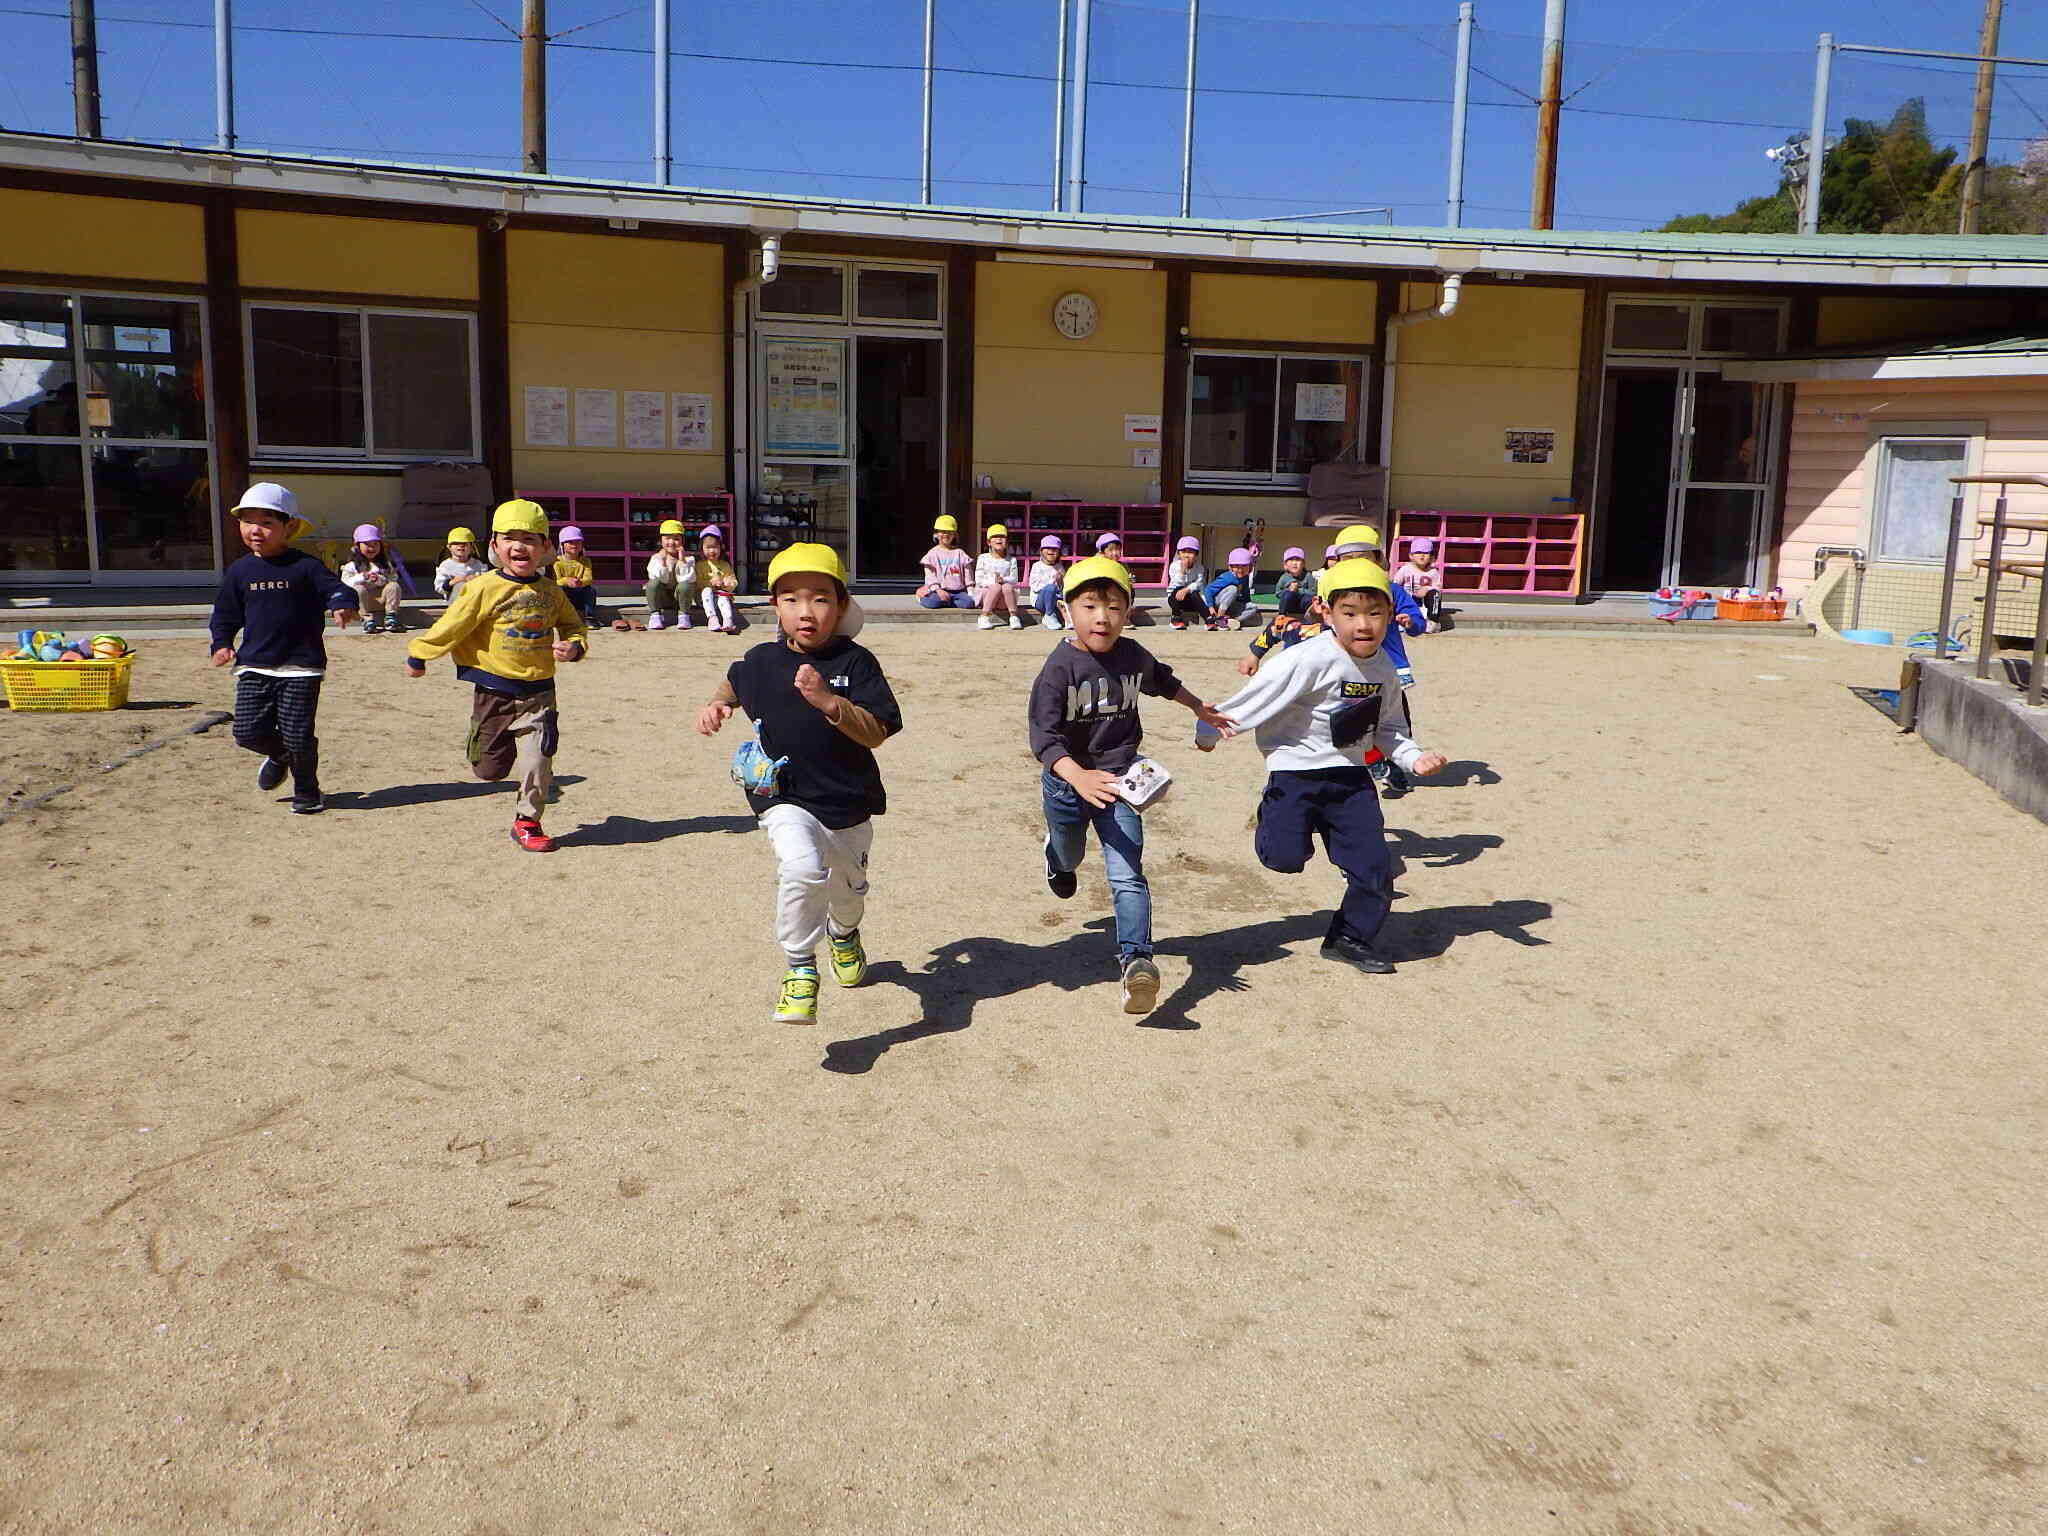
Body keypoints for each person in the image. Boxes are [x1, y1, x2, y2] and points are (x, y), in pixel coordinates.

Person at [1196, 557, 1448, 975]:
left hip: (1350, 777)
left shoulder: (1385, 669)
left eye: (1375, 613)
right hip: (1294, 774)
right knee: (1283, 859)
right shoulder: (1306, 659)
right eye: (1350, 614)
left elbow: (1388, 728)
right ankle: (1271, 815)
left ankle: (1349, 938)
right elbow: (1255, 698)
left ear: (1391, 614)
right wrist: (1207, 732)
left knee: (1374, 869)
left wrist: (1413, 757)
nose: (1363, 625)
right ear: (1325, 611)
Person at [696, 543, 902, 1025]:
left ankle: (845, 935)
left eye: (820, 599)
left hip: (848, 801)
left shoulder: (857, 663)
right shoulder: (760, 659)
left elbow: (878, 732)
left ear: (842, 605)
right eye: (790, 599)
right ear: (774, 606)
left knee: (849, 892)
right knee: (802, 868)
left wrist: (828, 701)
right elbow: (735, 680)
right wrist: (717, 705)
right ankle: (799, 969)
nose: (805, 612)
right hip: (783, 796)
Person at [1028, 555, 1236, 1015]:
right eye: (1089, 606)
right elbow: (1043, 738)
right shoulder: (1059, 669)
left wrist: (1198, 707)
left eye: (1114, 607)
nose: (1102, 617)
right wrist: (1077, 776)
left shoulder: (1132, 655)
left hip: (1120, 777)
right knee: (1070, 855)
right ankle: (1055, 858)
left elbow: (1162, 681)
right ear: (1068, 611)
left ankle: (1136, 962)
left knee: (1127, 873)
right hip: (1068, 783)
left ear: (1128, 611)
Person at [405, 500, 588, 853]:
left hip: (539, 691)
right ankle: (480, 738)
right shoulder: (483, 587)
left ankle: (527, 821)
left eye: (530, 539)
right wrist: (420, 653)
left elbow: (572, 625)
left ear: (545, 548)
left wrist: (574, 645)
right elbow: (452, 625)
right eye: (510, 538)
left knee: (539, 759)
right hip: (494, 690)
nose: (520, 546)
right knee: (490, 771)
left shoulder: (551, 591)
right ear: (495, 546)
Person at [207, 482, 358, 815]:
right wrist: (221, 643)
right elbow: (226, 614)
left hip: (300, 667)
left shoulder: (305, 567)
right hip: (254, 665)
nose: (255, 530)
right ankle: (279, 755)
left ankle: (308, 792)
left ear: (289, 527)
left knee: (298, 734)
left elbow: (337, 589)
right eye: (247, 521)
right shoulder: (239, 571)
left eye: (266, 522)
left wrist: (341, 604)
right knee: (246, 731)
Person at [1328, 525, 1430, 797]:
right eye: (1348, 560)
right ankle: (1372, 762)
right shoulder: (1334, 591)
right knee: (1349, 721)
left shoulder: (1391, 590)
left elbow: (1419, 623)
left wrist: (1412, 622)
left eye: (1364, 558)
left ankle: (1394, 768)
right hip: (1346, 669)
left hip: (1390, 669)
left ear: (1379, 560)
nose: (1357, 566)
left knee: (1397, 721)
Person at [340, 523, 407, 635]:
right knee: (358, 589)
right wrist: (362, 577)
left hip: (381, 600)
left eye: (375, 544)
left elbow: (393, 578)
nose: (371, 548)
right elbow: (345, 584)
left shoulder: (385, 564)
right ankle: (367, 619)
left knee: (393, 586)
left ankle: (391, 616)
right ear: (357, 546)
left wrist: (379, 579)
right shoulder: (351, 566)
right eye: (367, 544)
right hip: (361, 604)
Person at [644, 518, 696, 630]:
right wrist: (663, 563)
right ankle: (655, 615)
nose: (671, 542)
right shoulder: (656, 558)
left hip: (680, 600)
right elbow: (660, 580)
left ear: (682, 541)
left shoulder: (689, 559)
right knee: (652, 584)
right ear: (661, 540)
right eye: (667, 538)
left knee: (686, 585)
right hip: (662, 599)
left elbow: (687, 579)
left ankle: (684, 616)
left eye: (676, 539)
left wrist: (681, 561)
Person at [974, 522, 1025, 630]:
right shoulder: (983, 558)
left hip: (1004, 600)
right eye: (995, 537)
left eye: (1002, 537)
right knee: (996, 586)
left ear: (1007, 542)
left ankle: (1014, 616)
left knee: (1007, 586)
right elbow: (979, 579)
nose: (999, 539)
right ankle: (984, 616)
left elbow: (1014, 579)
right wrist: (994, 581)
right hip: (987, 597)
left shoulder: (1011, 560)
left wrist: (1003, 580)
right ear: (989, 542)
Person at [917, 514, 974, 609]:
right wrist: (938, 590)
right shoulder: (932, 554)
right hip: (939, 590)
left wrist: (970, 590)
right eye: (942, 532)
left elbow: (968, 573)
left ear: (955, 534)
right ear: (936, 534)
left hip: (958, 591)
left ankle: (948, 601)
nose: (946, 535)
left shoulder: (960, 553)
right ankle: (921, 597)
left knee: (969, 603)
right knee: (933, 603)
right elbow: (930, 576)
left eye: (949, 532)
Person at [694, 525, 741, 633]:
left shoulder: (725, 565)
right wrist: (711, 583)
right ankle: (712, 618)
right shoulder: (700, 565)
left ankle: (728, 621)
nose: (712, 551)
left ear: (721, 548)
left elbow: (734, 581)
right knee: (707, 591)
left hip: (719, 597)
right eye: (708, 547)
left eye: (715, 547)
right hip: (704, 599)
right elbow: (697, 583)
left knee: (723, 598)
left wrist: (728, 584)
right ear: (702, 548)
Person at [552, 525, 600, 628]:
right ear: (562, 545)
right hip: (565, 597)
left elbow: (589, 578)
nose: (575, 545)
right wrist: (566, 581)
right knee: (559, 589)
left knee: (590, 590)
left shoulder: (585, 561)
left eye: (578, 542)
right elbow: (555, 581)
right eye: (570, 542)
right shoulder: (556, 562)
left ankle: (590, 618)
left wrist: (580, 582)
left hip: (580, 594)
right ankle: (561, 617)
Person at [1392, 537, 1444, 625]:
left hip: (1425, 600)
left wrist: (1427, 589)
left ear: (1431, 556)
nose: (1422, 555)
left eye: (1426, 553)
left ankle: (1432, 622)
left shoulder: (1433, 572)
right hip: (1409, 598)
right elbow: (1395, 585)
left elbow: (1438, 588)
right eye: (1418, 552)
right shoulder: (1405, 569)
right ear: (1411, 556)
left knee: (1435, 594)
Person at [1203, 547, 1255, 630]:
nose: (1240, 570)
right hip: (1218, 603)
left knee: (1253, 607)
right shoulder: (1227, 577)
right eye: (1237, 566)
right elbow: (1208, 590)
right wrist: (1211, 607)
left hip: (1230, 605)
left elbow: (1246, 592)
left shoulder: (1246, 577)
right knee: (1232, 589)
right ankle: (1219, 618)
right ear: (1230, 567)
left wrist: (1247, 603)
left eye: (1244, 566)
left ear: (1250, 566)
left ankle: (1232, 621)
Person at [1165, 536, 1208, 629]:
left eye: (1190, 552)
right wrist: (1182, 571)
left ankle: (1208, 619)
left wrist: (1187, 590)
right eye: (1183, 552)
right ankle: (1175, 618)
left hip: (1190, 600)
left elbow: (1198, 584)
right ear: (1178, 554)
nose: (1186, 555)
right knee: (1177, 590)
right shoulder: (1174, 566)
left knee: (1195, 593)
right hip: (1175, 599)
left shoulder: (1199, 567)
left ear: (1196, 555)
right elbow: (1177, 584)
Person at [434, 526, 487, 602]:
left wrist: (476, 579)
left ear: (472, 547)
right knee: (459, 586)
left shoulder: (478, 564)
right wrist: (452, 582)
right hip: (454, 601)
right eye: (456, 543)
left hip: (475, 600)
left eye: (465, 544)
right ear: (449, 547)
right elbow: (439, 588)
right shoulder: (445, 566)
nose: (461, 545)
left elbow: (487, 583)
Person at [1027, 535, 1067, 630]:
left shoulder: (1060, 567)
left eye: (1054, 549)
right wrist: (1052, 584)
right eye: (1048, 548)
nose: (1051, 551)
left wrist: (1060, 581)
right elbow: (1034, 586)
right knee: (1050, 588)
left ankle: (1067, 619)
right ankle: (1049, 615)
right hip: (1040, 601)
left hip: (1055, 601)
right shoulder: (1037, 566)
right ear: (1041, 551)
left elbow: (1063, 589)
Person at [1274, 547, 1313, 616]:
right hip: (1290, 605)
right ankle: (1281, 616)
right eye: (1291, 560)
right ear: (1285, 565)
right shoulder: (1284, 577)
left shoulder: (1308, 576)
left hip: (1303, 606)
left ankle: (1307, 618)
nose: (1294, 563)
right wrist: (1288, 590)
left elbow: (1313, 592)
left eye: (1298, 560)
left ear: (1303, 564)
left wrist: (1298, 590)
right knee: (1287, 595)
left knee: (1309, 598)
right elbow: (1277, 593)